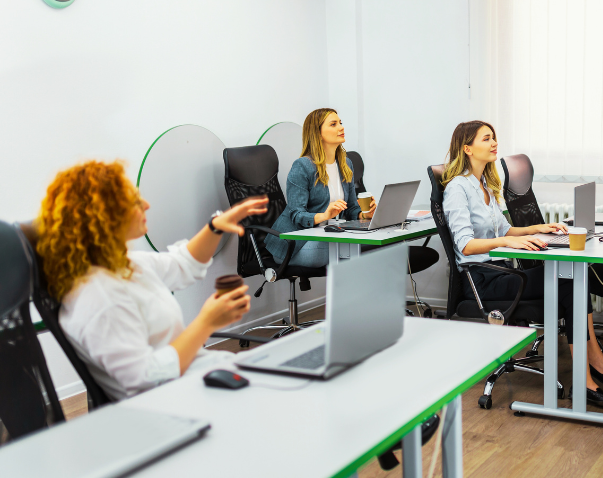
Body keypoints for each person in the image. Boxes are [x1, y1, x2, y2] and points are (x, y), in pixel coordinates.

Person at [38, 160, 269, 400]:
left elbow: (183, 264)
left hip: (202, 377)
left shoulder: (125, 265)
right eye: (135, 203)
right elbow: (146, 379)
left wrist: (215, 227)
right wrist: (206, 323)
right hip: (176, 400)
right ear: (103, 217)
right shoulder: (99, 298)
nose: (147, 205)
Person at [442, 120, 603, 408]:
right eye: (486, 139)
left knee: (572, 279)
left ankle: (591, 369)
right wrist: (507, 243)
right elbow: (465, 245)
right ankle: (589, 374)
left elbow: (505, 230)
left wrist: (542, 228)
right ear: (467, 149)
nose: (494, 143)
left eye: (494, 137)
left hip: (501, 271)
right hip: (481, 279)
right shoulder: (457, 188)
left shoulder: (486, 186)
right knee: (569, 281)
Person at [264, 108, 376, 267]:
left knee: (373, 243)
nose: (341, 127)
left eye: (340, 123)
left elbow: (351, 208)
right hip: (294, 246)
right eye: (333, 124)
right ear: (317, 133)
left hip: (328, 236)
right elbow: (296, 214)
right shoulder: (302, 166)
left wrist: (364, 215)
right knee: (350, 247)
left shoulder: (346, 164)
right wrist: (325, 215)